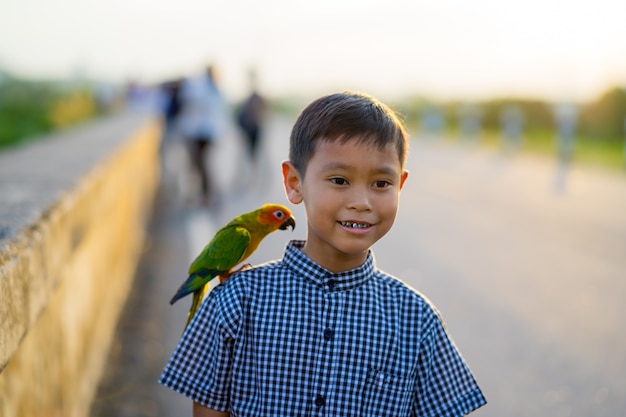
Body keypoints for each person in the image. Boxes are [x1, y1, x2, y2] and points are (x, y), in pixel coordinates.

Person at [160, 91, 487, 416]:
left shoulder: (417, 319)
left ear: (400, 185)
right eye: (340, 180)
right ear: (294, 183)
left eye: (381, 184)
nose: (362, 202)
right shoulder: (234, 302)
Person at [178, 65, 229, 206]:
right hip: (203, 132)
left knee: (203, 164)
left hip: (206, 132)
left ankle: (209, 194)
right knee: (202, 164)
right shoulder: (211, 89)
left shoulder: (206, 89)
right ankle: (208, 193)